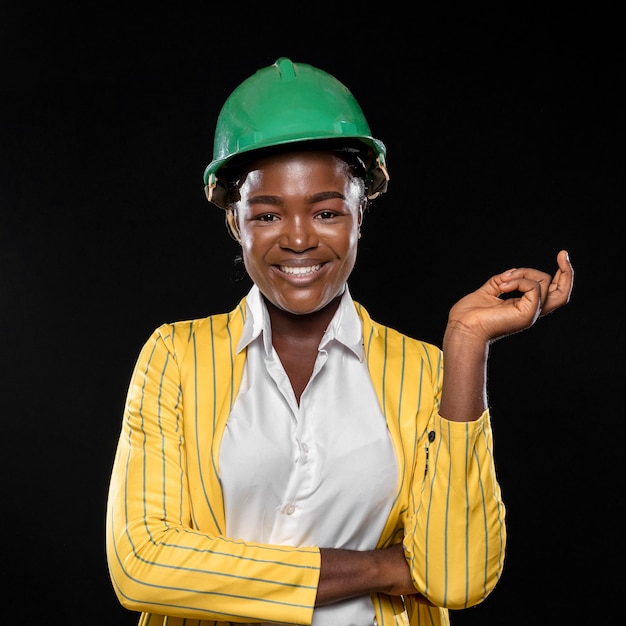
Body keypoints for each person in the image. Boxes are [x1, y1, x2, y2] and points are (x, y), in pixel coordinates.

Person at [105, 57, 574, 626]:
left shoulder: (428, 372)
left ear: (360, 212)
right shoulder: (175, 357)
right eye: (266, 215)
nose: (298, 239)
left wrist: (467, 342)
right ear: (236, 224)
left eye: (326, 211)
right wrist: (383, 568)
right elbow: (141, 564)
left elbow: (458, 575)